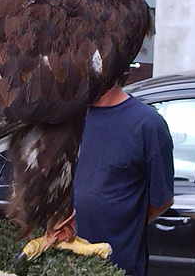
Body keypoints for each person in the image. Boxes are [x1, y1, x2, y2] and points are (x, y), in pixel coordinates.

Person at [73, 76, 174, 276]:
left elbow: (162, 200)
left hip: (118, 266)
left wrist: (124, 223)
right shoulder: (70, 116)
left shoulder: (148, 124)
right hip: (63, 262)